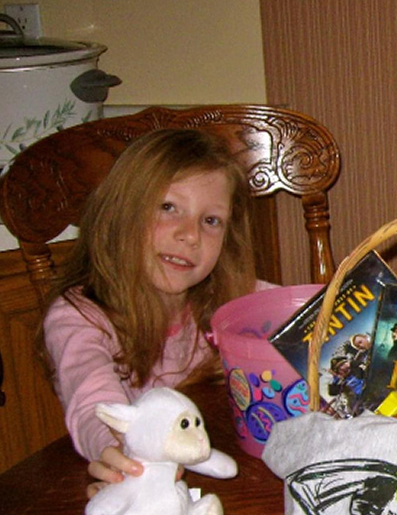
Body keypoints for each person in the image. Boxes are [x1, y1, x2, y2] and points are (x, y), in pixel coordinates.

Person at [40, 129, 258, 492]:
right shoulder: (79, 317)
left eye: (210, 221)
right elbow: (92, 398)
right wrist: (121, 454)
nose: (190, 235)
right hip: (140, 481)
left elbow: (304, 312)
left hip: (216, 474)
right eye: (168, 207)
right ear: (120, 213)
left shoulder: (225, 298)